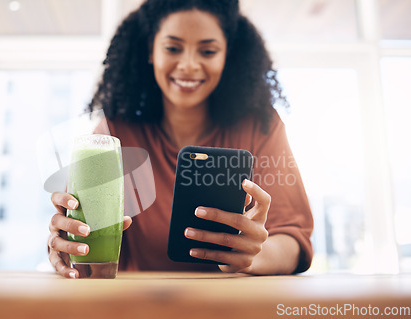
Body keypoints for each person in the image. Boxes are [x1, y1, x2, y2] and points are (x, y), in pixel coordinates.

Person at [48, 0, 314, 278]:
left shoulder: (260, 126)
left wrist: (253, 256)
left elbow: (294, 241)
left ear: (227, 55)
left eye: (208, 51)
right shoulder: (115, 134)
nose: (188, 65)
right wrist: (67, 242)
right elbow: (84, 245)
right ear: (150, 49)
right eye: (173, 48)